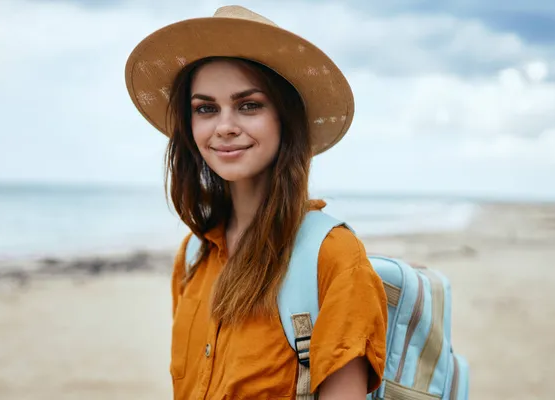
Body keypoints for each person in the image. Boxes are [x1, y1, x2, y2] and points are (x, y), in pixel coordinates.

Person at [125, 5, 388, 399]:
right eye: (205, 108)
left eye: (249, 105)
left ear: (285, 118)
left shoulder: (333, 257)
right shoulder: (194, 254)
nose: (225, 126)